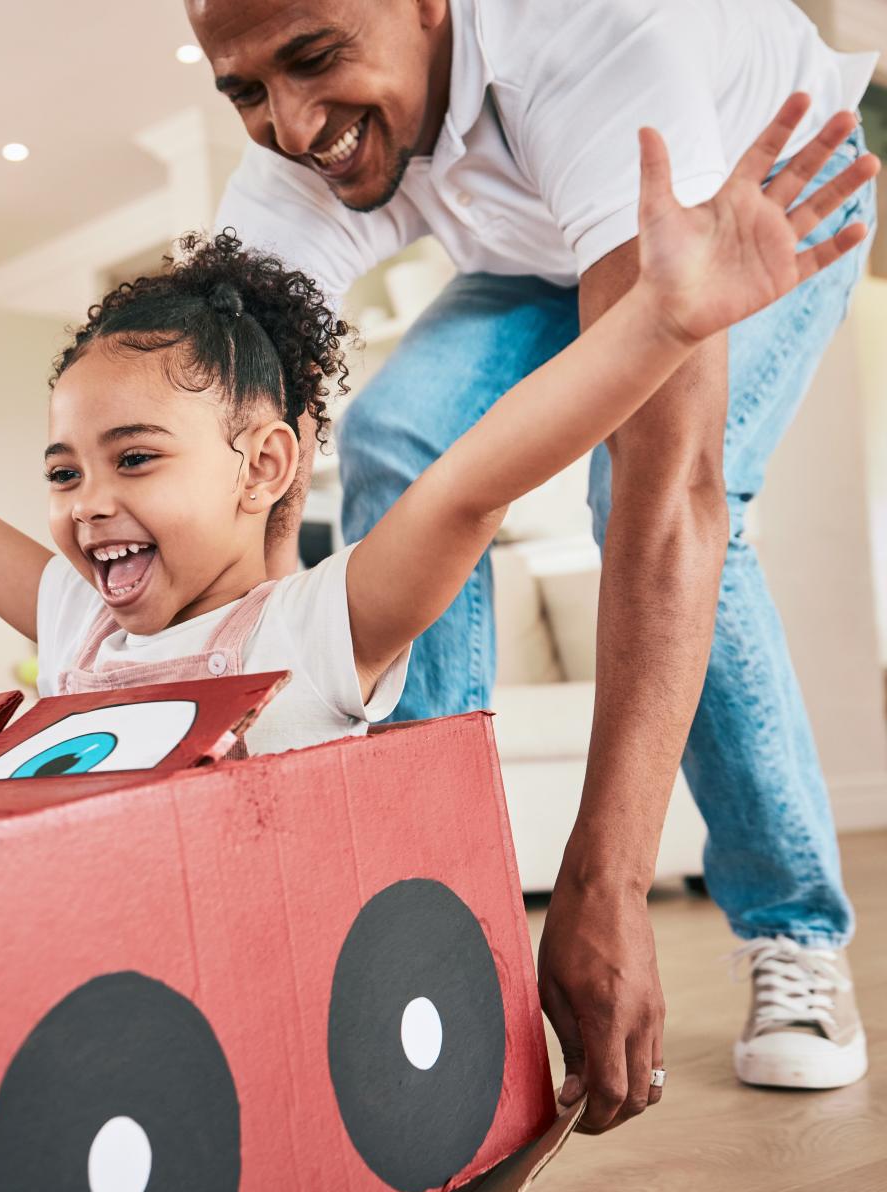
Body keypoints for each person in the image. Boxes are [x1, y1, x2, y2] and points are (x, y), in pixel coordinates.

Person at [0, 106, 873, 1103]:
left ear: (265, 469)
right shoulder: (82, 623)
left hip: (262, 1017)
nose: (87, 502)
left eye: (134, 459)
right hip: (79, 985)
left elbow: (471, 484)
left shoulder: (314, 630)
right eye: (65, 471)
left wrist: (659, 323)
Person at [195, 0, 882, 1124]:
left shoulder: (599, 35)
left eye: (316, 58)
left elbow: (676, 503)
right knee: (394, 438)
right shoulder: (301, 155)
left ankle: (792, 930)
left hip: (759, 197)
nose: (291, 121)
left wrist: (606, 886)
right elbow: (207, 417)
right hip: (543, 251)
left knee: (648, 486)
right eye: (246, 89)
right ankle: (433, 906)